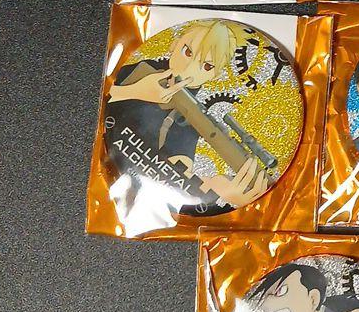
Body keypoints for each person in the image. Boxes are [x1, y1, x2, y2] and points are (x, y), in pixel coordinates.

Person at [107, 20, 270, 206]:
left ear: (215, 75)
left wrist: (213, 189)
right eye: (188, 52)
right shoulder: (141, 70)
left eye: (207, 66)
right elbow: (100, 98)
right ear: (175, 44)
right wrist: (134, 91)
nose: (189, 69)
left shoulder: (189, 120)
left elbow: (174, 172)